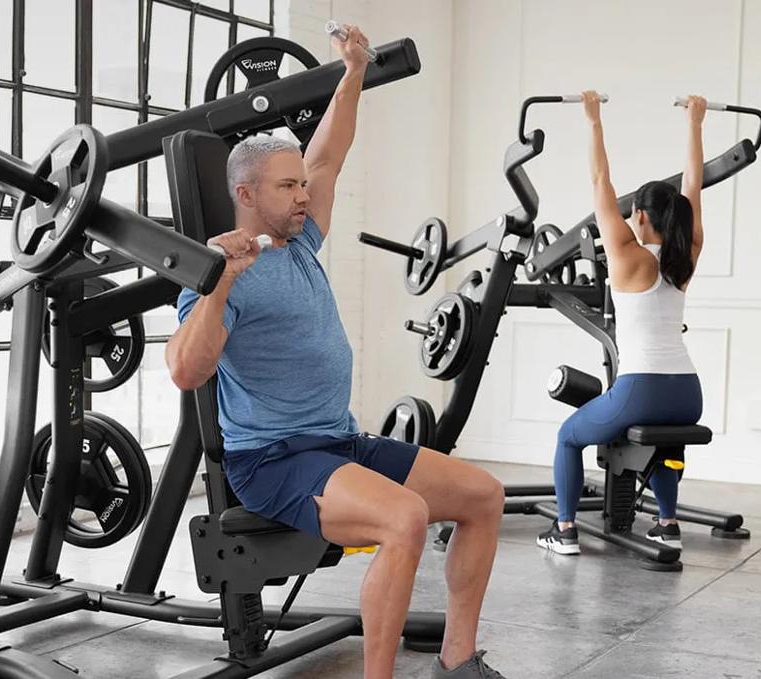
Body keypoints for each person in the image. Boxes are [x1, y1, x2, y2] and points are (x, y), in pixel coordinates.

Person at [166, 24, 506, 679]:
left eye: (301, 185)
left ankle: (458, 660)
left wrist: (351, 73)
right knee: (405, 518)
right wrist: (220, 284)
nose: (305, 194)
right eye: (287, 187)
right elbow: (186, 368)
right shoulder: (219, 270)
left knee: (483, 495)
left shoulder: (298, 240)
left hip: (337, 442)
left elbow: (327, 155)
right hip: (272, 459)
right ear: (246, 195)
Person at [537, 91, 707, 556]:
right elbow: (694, 186)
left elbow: (599, 180)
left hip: (642, 389)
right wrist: (696, 122)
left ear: (642, 216)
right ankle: (666, 523)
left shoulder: (626, 254)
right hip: (688, 392)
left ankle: (565, 530)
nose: (629, 215)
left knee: (568, 436)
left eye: (634, 211)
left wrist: (594, 120)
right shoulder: (686, 254)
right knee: (665, 442)